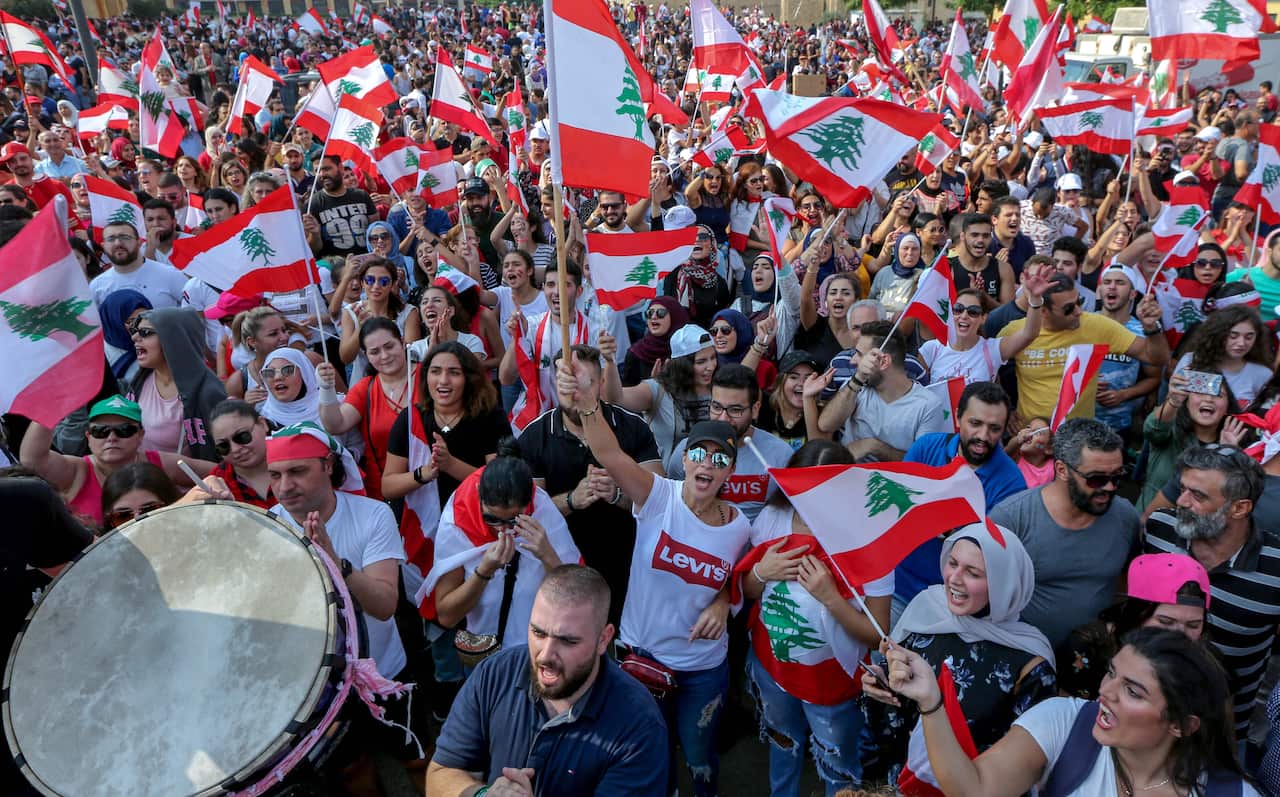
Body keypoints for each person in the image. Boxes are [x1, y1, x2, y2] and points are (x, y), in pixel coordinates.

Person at [566, 358, 751, 797]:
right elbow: (610, 454)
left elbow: (741, 579)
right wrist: (590, 404)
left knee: (701, 758)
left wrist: (723, 600)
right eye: (700, 453)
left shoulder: (741, 526)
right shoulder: (656, 496)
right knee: (649, 752)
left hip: (703, 669)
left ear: (728, 472)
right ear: (685, 459)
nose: (708, 463)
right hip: (642, 658)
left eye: (720, 458)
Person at [881, 627, 1257, 797]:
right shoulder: (1065, 722)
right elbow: (973, 790)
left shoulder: (1232, 793)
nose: (1104, 692)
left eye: (1133, 691)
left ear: (1180, 724)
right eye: (1111, 673)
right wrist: (931, 703)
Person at [426, 565, 669, 796]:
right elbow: (440, 775)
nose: (545, 655)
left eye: (568, 641)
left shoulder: (639, 725)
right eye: (538, 633)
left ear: (604, 639)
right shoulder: (495, 673)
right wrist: (482, 794)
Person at [737, 440, 890, 795]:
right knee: (782, 747)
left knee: (838, 771)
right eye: (801, 488)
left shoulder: (868, 538)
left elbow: (878, 634)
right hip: (771, 671)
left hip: (832, 688)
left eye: (823, 490)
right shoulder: (773, 517)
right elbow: (745, 590)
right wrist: (761, 572)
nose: (809, 501)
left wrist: (831, 598)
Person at [862, 521, 1057, 781]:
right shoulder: (926, 609)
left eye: (973, 573)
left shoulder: (1031, 663)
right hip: (904, 779)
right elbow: (896, 707)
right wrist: (880, 683)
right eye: (952, 563)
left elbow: (1024, 760)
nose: (954, 579)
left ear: (1004, 584)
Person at [516, 344, 663, 628]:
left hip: (626, 562)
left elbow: (659, 500)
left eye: (585, 384)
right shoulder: (534, 436)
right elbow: (528, 515)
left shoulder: (633, 427)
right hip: (561, 563)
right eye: (567, 383)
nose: (576, 394)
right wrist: (572, 500)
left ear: (601, 384)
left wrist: (619, 495)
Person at [1143, 444, 1280, 738]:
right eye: (1183, 489)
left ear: (1240, 507)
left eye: (1198, 495)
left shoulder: (1276, 568)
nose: (1181, 501)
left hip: (1222, 735)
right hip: (1144, 719)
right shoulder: (1159, 531)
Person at [266, 423, 405, 677]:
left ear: (328, 465)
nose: (284, 487)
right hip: (308, 681)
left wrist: (335, 563)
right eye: (275, 475)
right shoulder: (266, 527)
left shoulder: (373, 515)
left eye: (297, 471)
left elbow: (385, 607)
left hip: (380, 675)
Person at [990, 418, 1139, 649]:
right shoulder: (1011, 519)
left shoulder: (1125, 517)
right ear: (1062, 470)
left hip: (1094, 661)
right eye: (1097, 479)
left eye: (1118, 477)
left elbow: (1126, 580)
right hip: (1026, 658)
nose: (1109, 487)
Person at [425, 443, 580, 661]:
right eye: (491, 518)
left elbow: (577, 597)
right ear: (480, 496)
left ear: (529, 504)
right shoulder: (458, 521)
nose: (503, 529)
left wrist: (547, 555)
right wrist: (484, 571)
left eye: (513, 519)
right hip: (487, 657)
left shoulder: (544, 512)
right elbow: (447, 615)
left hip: (541, 654)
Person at [896, 382, 1029, 615]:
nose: (983, 436)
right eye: (975, 423)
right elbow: (898, 502)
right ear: (958, 417)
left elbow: (989, 554)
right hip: (899, 586)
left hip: (952, 603)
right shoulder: (927, 447)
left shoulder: (1012, 483)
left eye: (994, 428)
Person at [997, 272, 1170, 425]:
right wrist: (1005, 408)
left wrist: (1151, 328)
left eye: (1079, 301)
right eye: (1069, 308)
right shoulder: (1015, 331)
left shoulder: (1097, 326)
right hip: (1030, 437)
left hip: (1078, 438)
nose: (1079, 311)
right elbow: (988, 369)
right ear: (1043, 311)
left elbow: (1156, 358)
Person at [18, 395, 205, 528]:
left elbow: (222, 472)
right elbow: (32, 461)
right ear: (88, 437)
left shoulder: (161, 463)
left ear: (141, 435)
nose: (111, 437)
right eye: (101, 431)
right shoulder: (76, 471)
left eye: (124, 430)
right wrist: (52, 403)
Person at [1058, 553, 1211, 700]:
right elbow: (1066, 716)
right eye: (1165, 622)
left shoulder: (1208, 663)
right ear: (1136, 615)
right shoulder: (1087, 646)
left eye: (1193, 625)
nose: (1180, 634)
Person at [665, 363, 793, 522]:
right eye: (717, 407)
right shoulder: (687, 449)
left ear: (755, 409)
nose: (723, 418)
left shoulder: (781, 455)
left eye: (735, 410)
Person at [817, 321, 950, 461]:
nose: (853, 361)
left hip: (897, 481)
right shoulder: (857, 385)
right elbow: (825, 425)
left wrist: (875, 447)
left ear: (883, 361)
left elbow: (922, 463)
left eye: (860, 354)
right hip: (849, 477)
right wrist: (856, 380)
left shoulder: (928, 405)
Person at [318, 318, 412, 502]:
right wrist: (326, 389)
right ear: (365, 354)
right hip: (387, 494)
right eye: (375, 351)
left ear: (402, 342)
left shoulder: (430, 377)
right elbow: (335, 424)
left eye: (389, 346)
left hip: (434, 485)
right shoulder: (365, 389)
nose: (384, 356)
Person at [125, 308, 228, 461]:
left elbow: (221, 457)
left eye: (145, 333)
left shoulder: (208, 392)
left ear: (173, 339)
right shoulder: (138, 381)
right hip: (138, 480)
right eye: (135, 330)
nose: (134, 337)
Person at [608, 323, 716, 465]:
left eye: (713, 357)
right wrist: (609, 361)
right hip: (668, 481)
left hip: (712, 477)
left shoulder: (721, 388)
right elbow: (615, 397)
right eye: (701, 361)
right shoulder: (658, 390)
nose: (711, 366)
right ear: (683, 365)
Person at [920, 271, 1048, 385]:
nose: (964, 316)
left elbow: (1029, 334)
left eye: (973, 312)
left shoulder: (992, 350)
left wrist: (1035, 301)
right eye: (958, 309)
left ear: (983, 318)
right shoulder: (931, 349)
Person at [1139, 367, 1241, 509]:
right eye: (1200, 392)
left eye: (1218, 394)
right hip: (1151, 520)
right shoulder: (1169, 432)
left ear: (1228, 407)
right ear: (1186, 401)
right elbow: (1153, 429)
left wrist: (1229, 454)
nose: (1209, 399)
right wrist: (1173, 401)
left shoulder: (1233, 444)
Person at [1174, 305, 1273, 406]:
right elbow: (1168, 414)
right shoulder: (1191, 361)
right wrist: (1173, 398)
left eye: (1249, 337)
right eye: (1233, 336)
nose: (1241, 343)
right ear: (1217, 334)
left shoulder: (1262, 374)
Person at [89, 221, 188, 309]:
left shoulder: (170, 275)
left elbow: (195, 312)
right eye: (111, 239)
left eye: (125, 237)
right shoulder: (97, 286)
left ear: (139, 242)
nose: (118, 243)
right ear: (103, 246)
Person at [305, 154, 378, 258]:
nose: (322, 174)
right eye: (317, 171)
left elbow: (376, 230)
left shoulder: (362, 196)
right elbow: (313, 250)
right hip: (336, 268)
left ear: (340, 168)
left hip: (367, 261)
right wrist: (315, 234)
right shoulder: (312, 204)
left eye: (327, 169)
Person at [207, 399, 273, 508]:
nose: (235, 449)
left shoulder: (297, 458)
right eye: (224, 446)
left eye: (242, 436)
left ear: (262, 424)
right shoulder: (216, 484)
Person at [661, 225, 731, 323]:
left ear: (712, 244)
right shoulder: (674, 273)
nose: (697, 240)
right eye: (691, 237)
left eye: (703, 237)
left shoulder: (719, 282)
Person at [756, 350, 824, 450]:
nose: (801, 383)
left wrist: (808, 399)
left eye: (808, 378)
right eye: (794, 377)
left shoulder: (822, 413)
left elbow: (819, 449)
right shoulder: (763, 404)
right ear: (781, 381)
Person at [618, 296, 688, 387]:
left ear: (675, 316)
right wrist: (652, 387)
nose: (654, 317)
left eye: (661, 313)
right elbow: (627, 391)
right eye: (650, 313)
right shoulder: (636, 353)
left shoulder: (688, 349)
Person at [100, 461, 180, 530]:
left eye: (150, 510)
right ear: (110, 521)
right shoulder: (100, 547)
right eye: (123, 516)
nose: (137, 523)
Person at [257, 346, 322, 429]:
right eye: (269, 372)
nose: (278, 377)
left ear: (304, 373)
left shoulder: (332, 406)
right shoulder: (263, 420)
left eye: (288, 370)